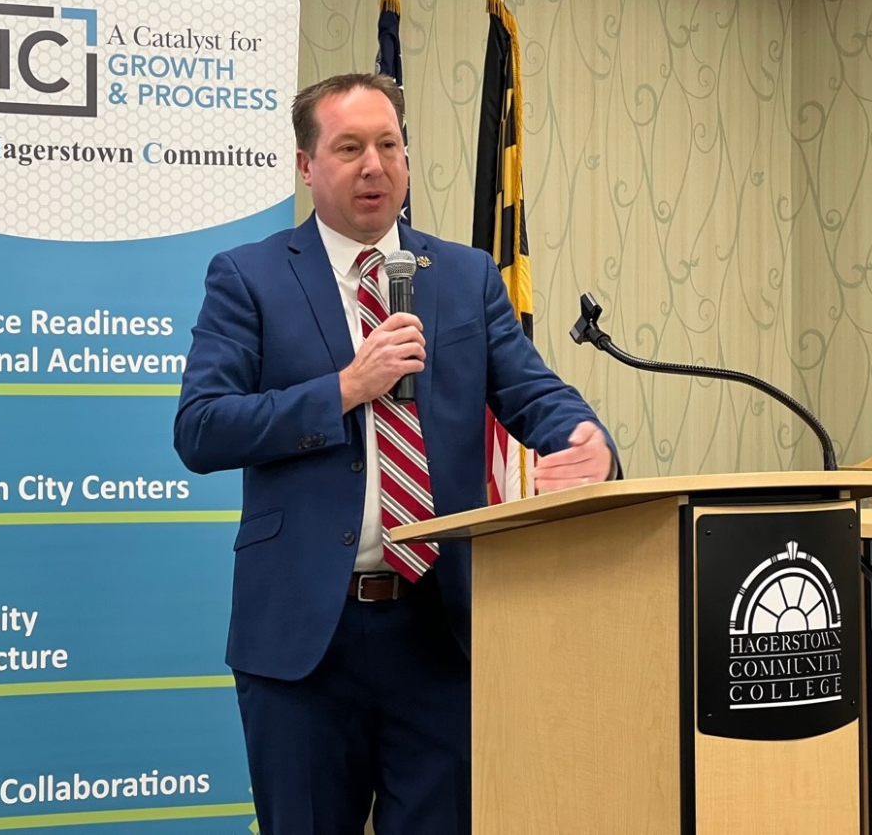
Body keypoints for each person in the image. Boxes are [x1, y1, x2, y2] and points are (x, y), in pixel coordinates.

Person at [173, 72, 619, 835]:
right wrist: (345, 387)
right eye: (349, 148)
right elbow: (203, 428)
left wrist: (591, 446)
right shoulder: (248, 278)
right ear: (307, 166)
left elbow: (534, 394)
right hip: (307, 642)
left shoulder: (467, 276)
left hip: (438, 632)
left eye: (389, 145)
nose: (374, 165)